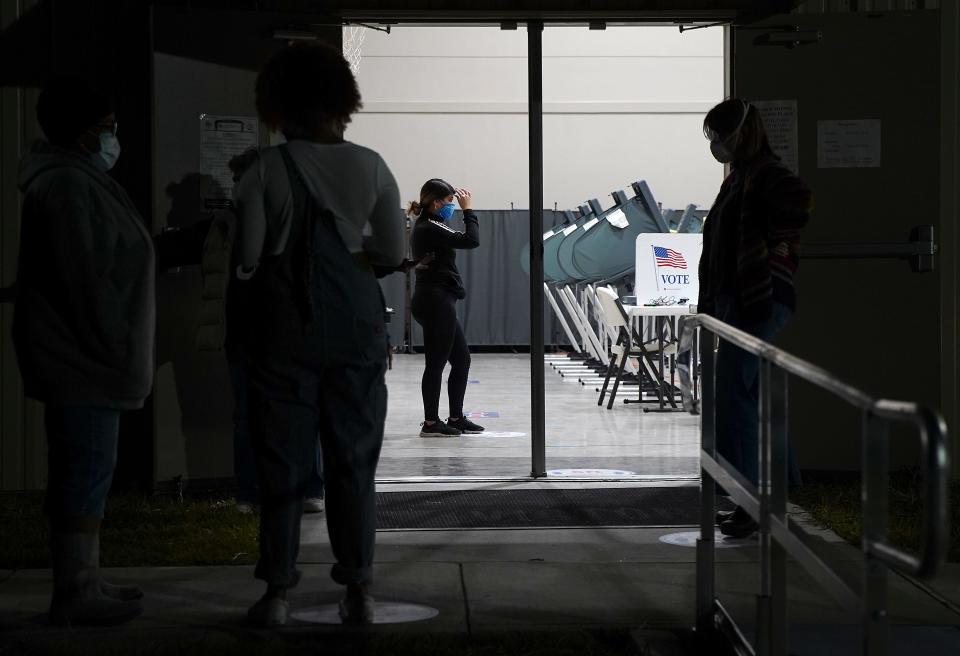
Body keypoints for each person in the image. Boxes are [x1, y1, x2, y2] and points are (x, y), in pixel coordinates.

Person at [233, 42, 404, 626]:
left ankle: (277, 592)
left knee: (281, 462)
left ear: (277, 104)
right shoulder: (371, 165)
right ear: (342, 101)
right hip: (356, 326)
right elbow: (392, 251)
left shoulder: (262, 170)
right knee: (354, 462)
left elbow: (249, 256)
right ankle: (358, 590)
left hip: (281, 332)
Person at [13, 76, 155, 625]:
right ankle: (75, 588)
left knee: (88, 467)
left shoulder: (75, 179)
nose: (114, 137)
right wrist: (111, 340)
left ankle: (85, 577)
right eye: (107, 128)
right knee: (83, 468)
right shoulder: (69, 187)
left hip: (87, 357)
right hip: (85, 360)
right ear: (83, 133)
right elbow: (87, 275)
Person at [698, 98, 813, 538]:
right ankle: (778, 493)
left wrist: (775, 243)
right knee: (759, 396)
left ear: (741, 132)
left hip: (757, 299)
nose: (716, 144)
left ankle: (750, 500)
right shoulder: (740, 178)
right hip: (740, 300)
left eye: (719, 134)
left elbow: (799, 202)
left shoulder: (766, 173)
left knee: (732, 396)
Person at [196, 149, 326, 515]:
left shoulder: (296, 222)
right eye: (238, 180)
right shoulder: (226, 224)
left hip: (289, 334)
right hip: (246, 334)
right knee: (249, 417)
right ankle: (252, 492)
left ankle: (306, 487)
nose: (241, 187)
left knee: (299, 415)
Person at [407, 180, 485, 438]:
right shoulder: (428, 226)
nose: (452, 206)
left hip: (440, 300)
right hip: (434, 301)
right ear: (436, 201)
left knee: (461, 360)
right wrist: (468, 211)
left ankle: (456, 417)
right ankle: (430, 423)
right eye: (449, 201)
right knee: (436, 363)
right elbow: (471, 240)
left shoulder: (433, 224)